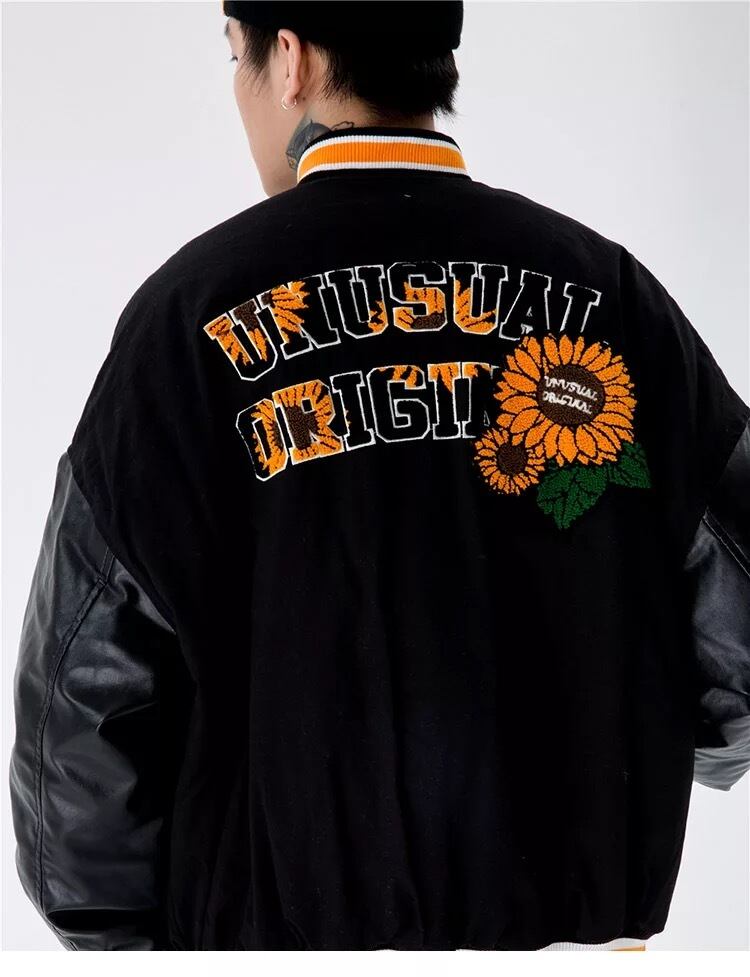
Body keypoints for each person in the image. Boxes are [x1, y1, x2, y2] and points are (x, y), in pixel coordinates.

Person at [8, 0, 750, 953]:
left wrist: (118, 941)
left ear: (290, 60)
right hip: (576, 943)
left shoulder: (181, 326)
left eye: (235, 57)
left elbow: (80, 707)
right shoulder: (613, 302)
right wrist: (621, 761)